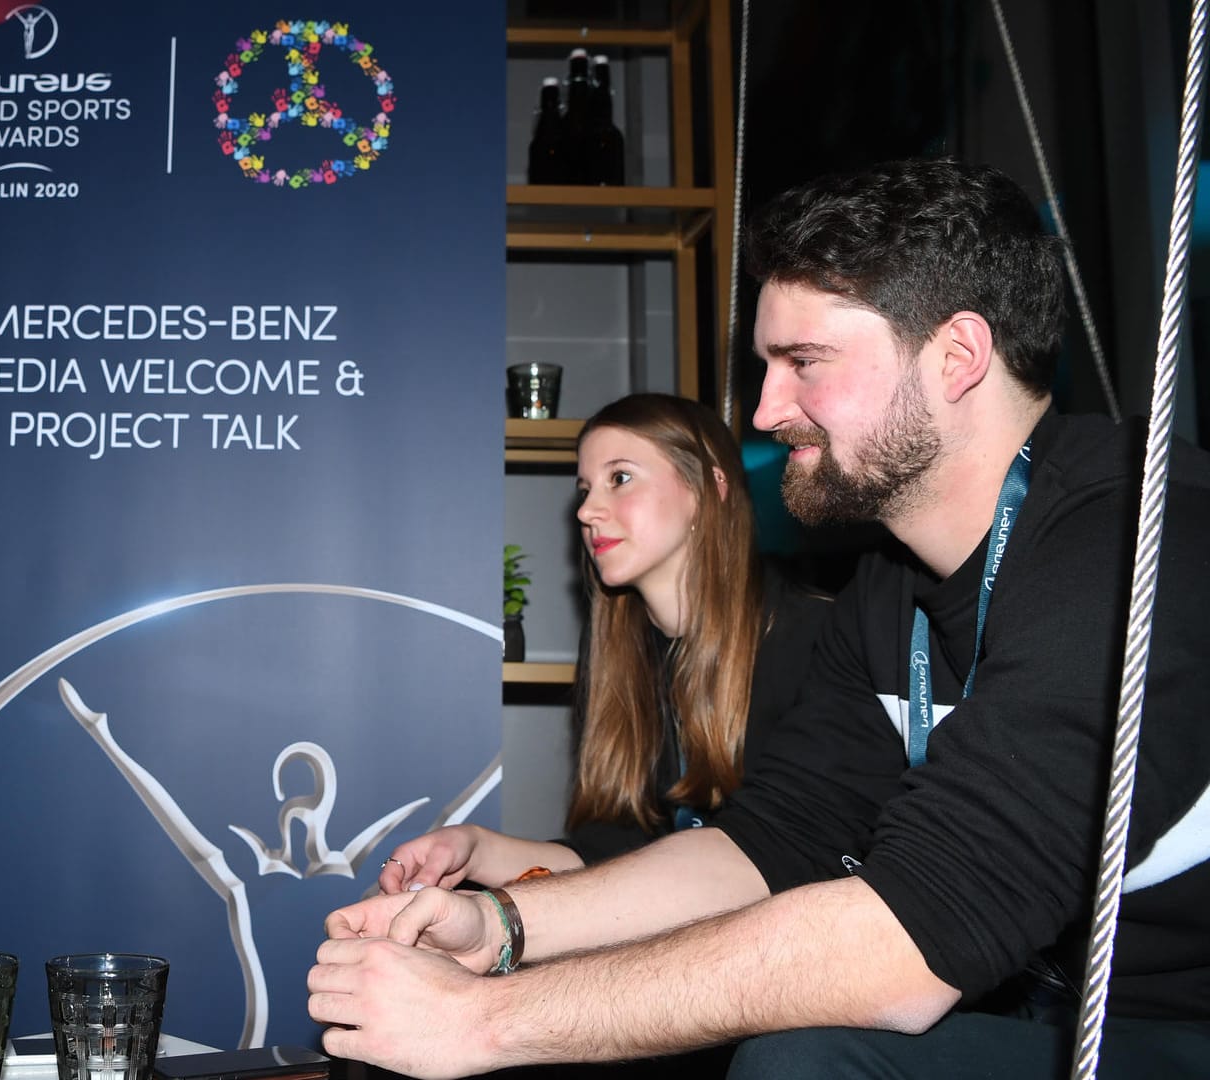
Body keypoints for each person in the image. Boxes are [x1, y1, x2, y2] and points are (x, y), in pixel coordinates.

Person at [306, 159, 1210, 1079]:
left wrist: (486, 1022)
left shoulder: (1137, 545)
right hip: (1049, 1021)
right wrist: (500, 925)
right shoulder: (887, 589)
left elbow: (909, 944)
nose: (769, 410)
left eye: (803, 363)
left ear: (957, 356)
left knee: (802, 1061)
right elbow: (766, 844)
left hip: (1171, 1032)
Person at [379, 394, 830, 893]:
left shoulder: (813, 639)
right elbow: (610, 854)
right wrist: (474, 849)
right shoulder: (624, 656)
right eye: (585, 489)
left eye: (620, 479)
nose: (588, 511)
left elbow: (790, 863)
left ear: (708, 488)